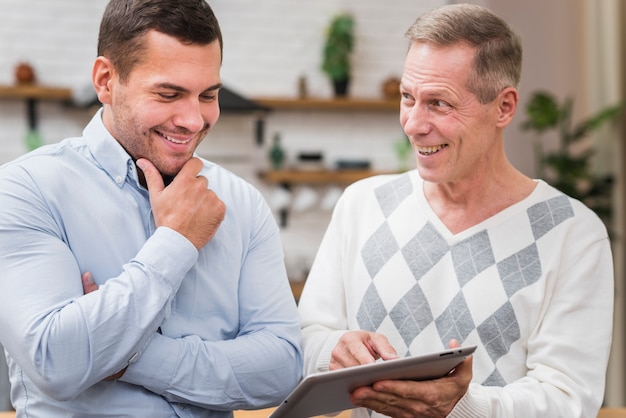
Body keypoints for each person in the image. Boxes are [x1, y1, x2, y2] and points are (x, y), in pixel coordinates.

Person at [298, 4, 613, 418]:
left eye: (439, 104)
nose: (413, 123)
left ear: (504, 107)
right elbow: (301, 341)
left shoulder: (572, 233)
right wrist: (331, 350)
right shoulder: (363, 205)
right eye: (407, 98)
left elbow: (570, 399)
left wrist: (464, 406)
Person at [0, 0, 302, 416]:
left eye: (208, 95)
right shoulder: (25, 189)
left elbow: (281, 368)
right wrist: (176, 242)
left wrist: (125, 357)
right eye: (169, 94)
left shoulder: (242, 201)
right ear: (106, 81)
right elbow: (56, 362)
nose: (194, 120)